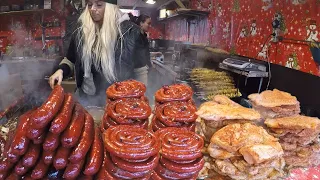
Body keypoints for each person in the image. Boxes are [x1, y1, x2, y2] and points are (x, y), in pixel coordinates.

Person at [49, 0, 145, 106]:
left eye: (99, 5)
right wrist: (61, 70)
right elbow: (70, 59)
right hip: (87, 99)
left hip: (121, 102)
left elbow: (140, 71)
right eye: (90, 5)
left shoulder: (131, 32)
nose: (93, 9)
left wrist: (141, 99)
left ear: (110, 7)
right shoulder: (81, 31)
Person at [129, 14, 152, 86]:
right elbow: (138, 53)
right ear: (141, 23)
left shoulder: (143, 35)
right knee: (141, 91)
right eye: (148, 23)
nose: (149, 26)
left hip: (140, 68)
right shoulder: (136, 35)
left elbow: (143, 51)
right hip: (139, 69)